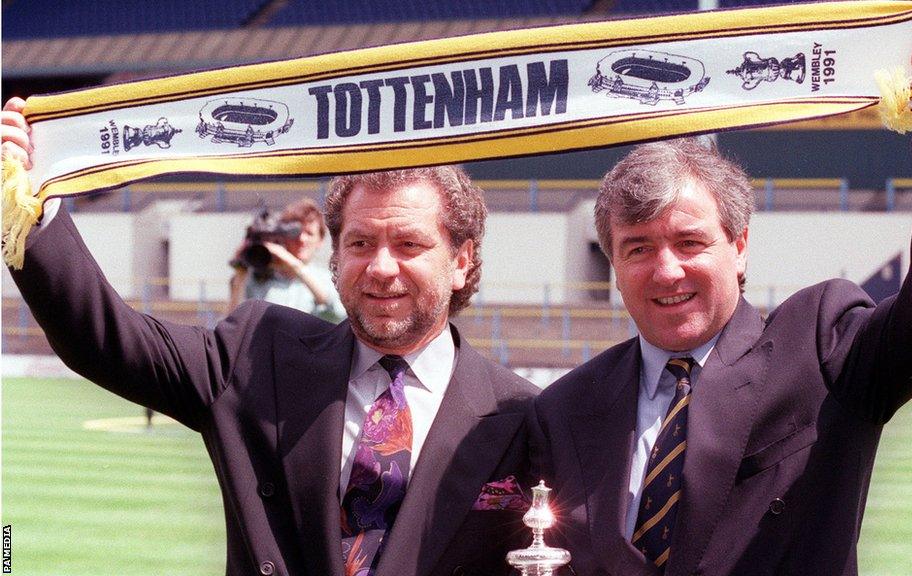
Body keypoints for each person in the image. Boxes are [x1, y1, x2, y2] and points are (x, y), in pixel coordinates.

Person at [528, 2, 912, 575]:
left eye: (690, 243)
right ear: (611, 262)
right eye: (638, 248)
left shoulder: (823, 351)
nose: (667, 270)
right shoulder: (565, 409)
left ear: (739, 247)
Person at [1, 97, 538, 575]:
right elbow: (108, 340)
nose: (380, 267)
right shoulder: (258, 355)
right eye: (359, 243)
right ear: (334, 256)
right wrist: (32, 204)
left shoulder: (524, 417)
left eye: (408, 244)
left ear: (462, 261)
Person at [228, 198, 347, 323]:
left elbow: (336, 316)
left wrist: (296, 267)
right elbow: (232, 327)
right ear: (283, 236)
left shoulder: (328, 279)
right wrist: (240, 273)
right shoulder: (256, 278)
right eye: (295, 233)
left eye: (309, 233)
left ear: (320, 241)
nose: (302, 239)